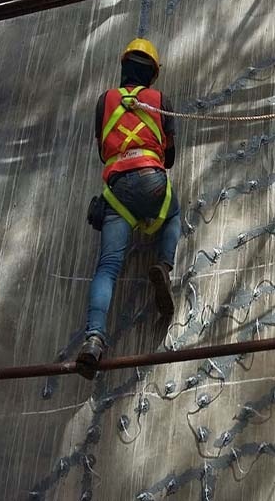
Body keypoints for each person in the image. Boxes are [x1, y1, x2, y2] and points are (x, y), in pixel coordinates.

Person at [76, 38, 181, 379]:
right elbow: (170, 156)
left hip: (118, 189)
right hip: (152, 181)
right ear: (153, 75)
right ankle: (163, 265)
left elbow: (101, 151)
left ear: (124, 69)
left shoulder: (104, 101)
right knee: (173, 213)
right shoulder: (160, 101)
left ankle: (93, 338)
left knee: (107, 267)